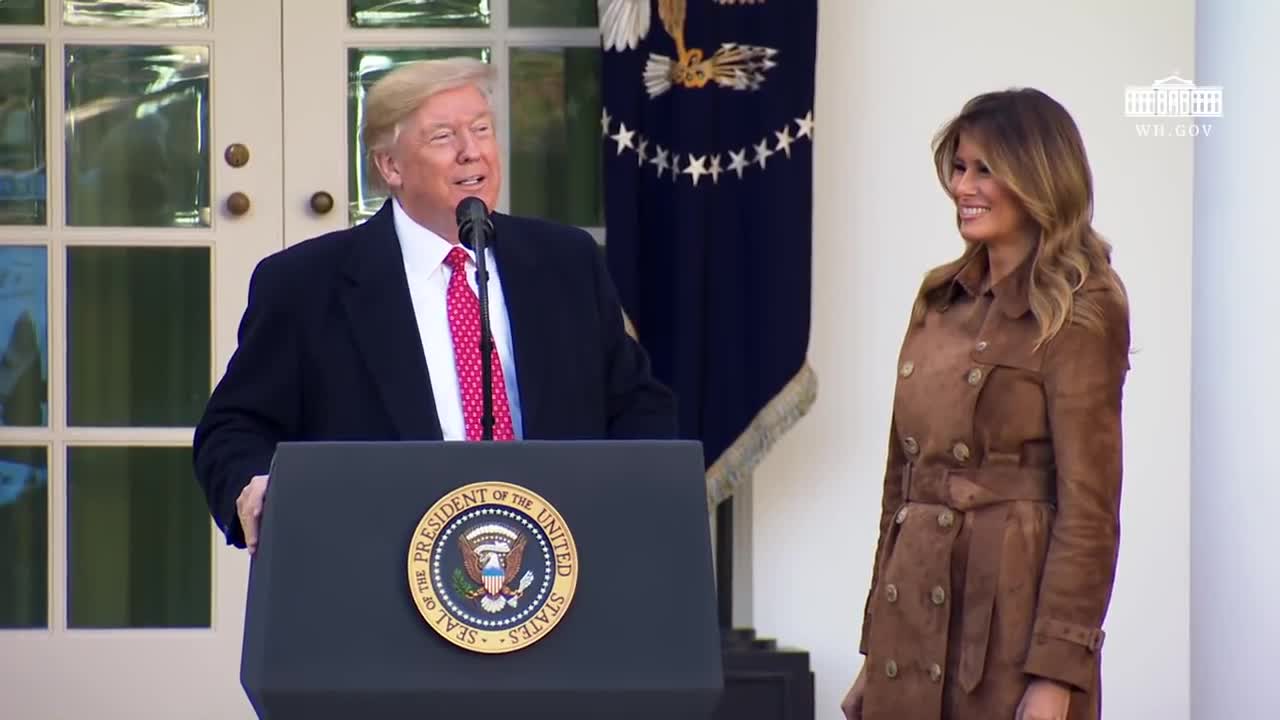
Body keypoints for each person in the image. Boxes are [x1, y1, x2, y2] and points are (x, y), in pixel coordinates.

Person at [193, 58, 676, 553]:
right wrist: (251, 486)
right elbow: (234, 429)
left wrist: (632, 508)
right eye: (443, 137)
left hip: (556, 555)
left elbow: (638, 406)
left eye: (482, 130)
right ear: (390, 166)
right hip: (378, 557)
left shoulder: (565, 262)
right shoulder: (306, 284)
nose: (472, 153)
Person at [840, 88, 1130, 720]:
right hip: (909, 623)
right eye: (960, 166)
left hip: (1007, 629)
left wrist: (1058, 675)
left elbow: (1091, 510)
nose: (962, 185)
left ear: (1039, 177)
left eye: (985, 169)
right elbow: (902, 486)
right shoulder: (939, 299)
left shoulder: (1081, 308)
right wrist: (874, 649)